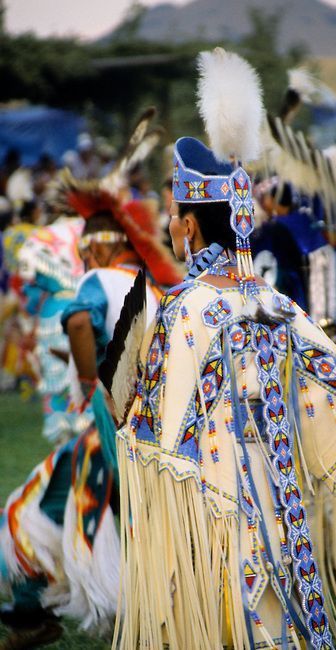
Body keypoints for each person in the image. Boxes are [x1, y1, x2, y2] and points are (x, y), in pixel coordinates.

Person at [113, 138, 336, 650]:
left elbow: (160, 439)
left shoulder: (184, 310)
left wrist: (127, 413)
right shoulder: (278, 304)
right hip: (282, 507)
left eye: (174, 214)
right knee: (276, 624)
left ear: (191, 226)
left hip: (209, 508)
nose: (169, 224)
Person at [0, 175, 181, 648]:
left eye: (84, 249)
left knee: (35, 509)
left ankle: (29, 611)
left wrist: (87, 382)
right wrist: (92, 369)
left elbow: (80, 321)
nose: (81, 258)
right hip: (159, 438)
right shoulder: (154, 290)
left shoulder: (98, 278)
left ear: (99, 248)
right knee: (133, 526)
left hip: (112, 433)